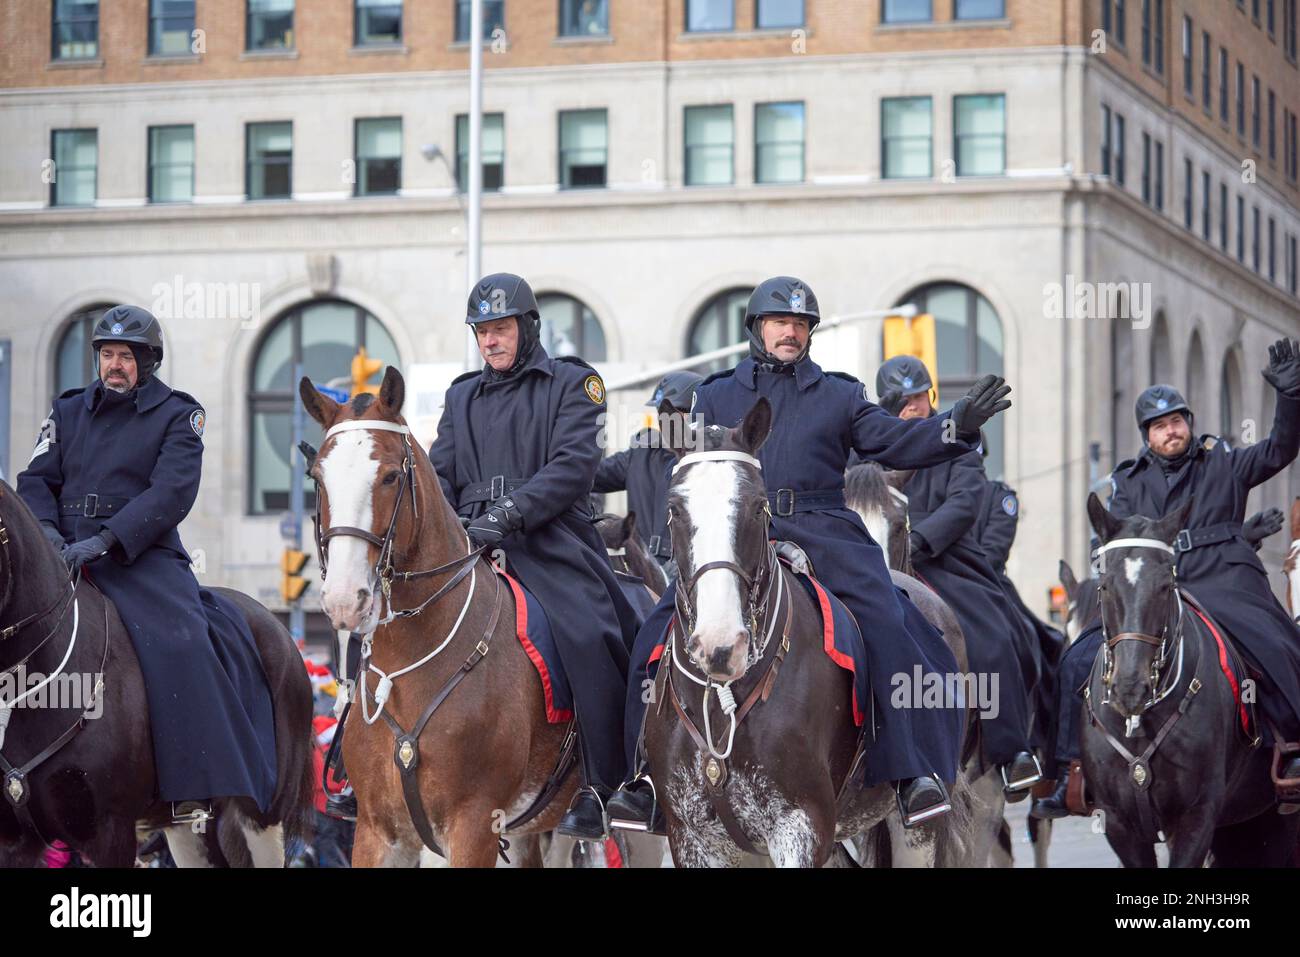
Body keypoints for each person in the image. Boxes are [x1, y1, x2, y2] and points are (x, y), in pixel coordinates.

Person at [608, 276, 1012, 832]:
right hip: (741, 532)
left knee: (892, 624)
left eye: (800, 324)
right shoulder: (716, 394)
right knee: (652, 638)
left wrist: (954, 425)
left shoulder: (840, 393)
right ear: (756, 329)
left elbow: (894, 440)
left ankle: (910, 773)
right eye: (780, 323)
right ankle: (646, 778)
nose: (790, 332)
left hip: (824, 527)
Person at [16, 305, 277, 826]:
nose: (114, 365)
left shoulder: (180, 414)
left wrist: (109, 540)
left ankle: (192, 785)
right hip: (61, 551)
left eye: (126, 357)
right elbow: (35, 480)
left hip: (141, 556)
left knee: (183, 640)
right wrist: (46, 534)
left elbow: (172, 492)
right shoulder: (66, 411)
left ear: (148, 361)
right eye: (107, 355)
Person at [428, 272, 641, 840]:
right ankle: (364, 766)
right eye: (482, 332)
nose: (490, 341)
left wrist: (510, 515)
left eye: (500, 329)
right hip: (468, 543)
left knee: (591, 634)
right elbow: (439, 475)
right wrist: (453, 532)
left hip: (550, 541)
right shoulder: (460, 395)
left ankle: (606, 784)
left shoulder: (574, 383)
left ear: (526, 328)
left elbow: (574, 466)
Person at [1103, 360, 1300, 805]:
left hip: (1225, 573)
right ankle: (1072, 764)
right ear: (1146, 436)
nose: (1170, 431)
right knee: (1086, 654)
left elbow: (1280, 448)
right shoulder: (1127, 481)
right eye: (1159, 426)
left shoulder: (1224, 462)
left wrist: (1290, 397)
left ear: (1188, 424)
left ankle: (1291, 742)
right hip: (1159, 582)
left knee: (1274, 640)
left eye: (1176, 421)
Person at [875, 355, 1042, 798]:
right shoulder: (867, 444)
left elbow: (966, 501)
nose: (915, 408)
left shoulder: (959, 439)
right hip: (878, 559)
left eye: (920, 397)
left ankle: (1011, 753)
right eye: (903, 401)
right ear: (887, 406)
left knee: (992, 637)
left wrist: (918, 540)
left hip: (944, 559)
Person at [593, 371, 703, 577]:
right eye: (661, 413)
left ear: (694, 413)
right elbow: (590, 476)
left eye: (673, 412)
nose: (664, 420)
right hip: (642, 566)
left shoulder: (707, 460)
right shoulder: (642, 451)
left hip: (688, 569)